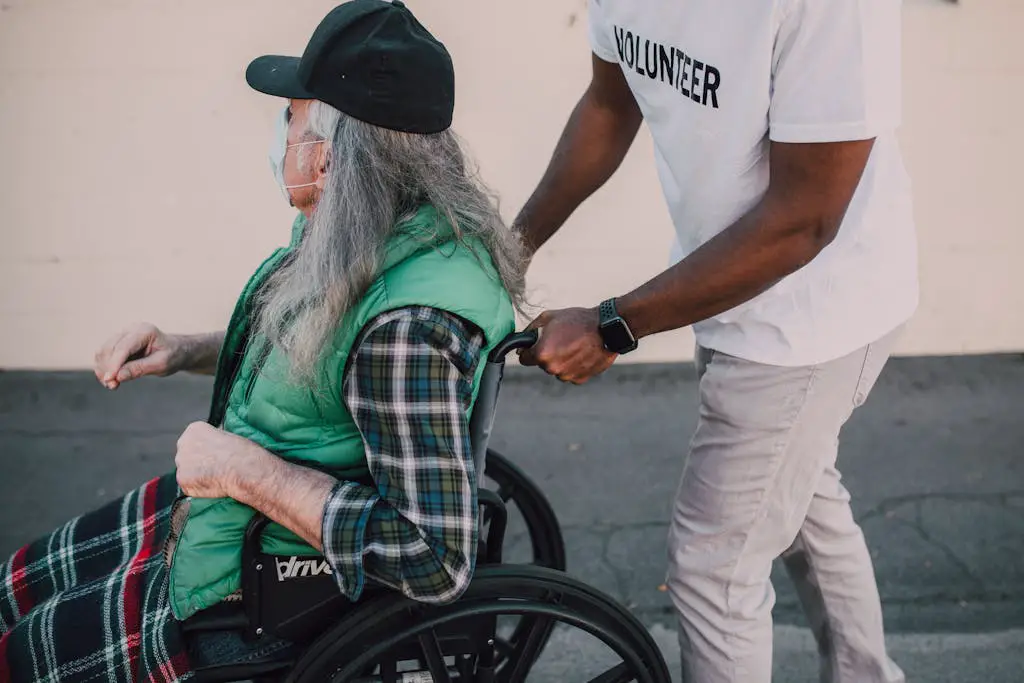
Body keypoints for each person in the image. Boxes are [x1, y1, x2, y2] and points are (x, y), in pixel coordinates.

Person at [0, 2, 525, 680]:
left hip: (265, 585)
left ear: (334, 160)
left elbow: (434, 557)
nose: (281, 137)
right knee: (15, 589)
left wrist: (243, 470)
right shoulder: (387, 230)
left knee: (19, 657)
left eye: (291, 120)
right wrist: (184, 347)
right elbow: (323, 357)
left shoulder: (407, 330)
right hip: (234, 516)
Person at [514, 1, 915, 682]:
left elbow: (804, 222)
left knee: (713, 567)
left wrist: (614, 324)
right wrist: (508, 250)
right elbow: (610, 106)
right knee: (802, 499)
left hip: (811, 316)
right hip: (732, 284)